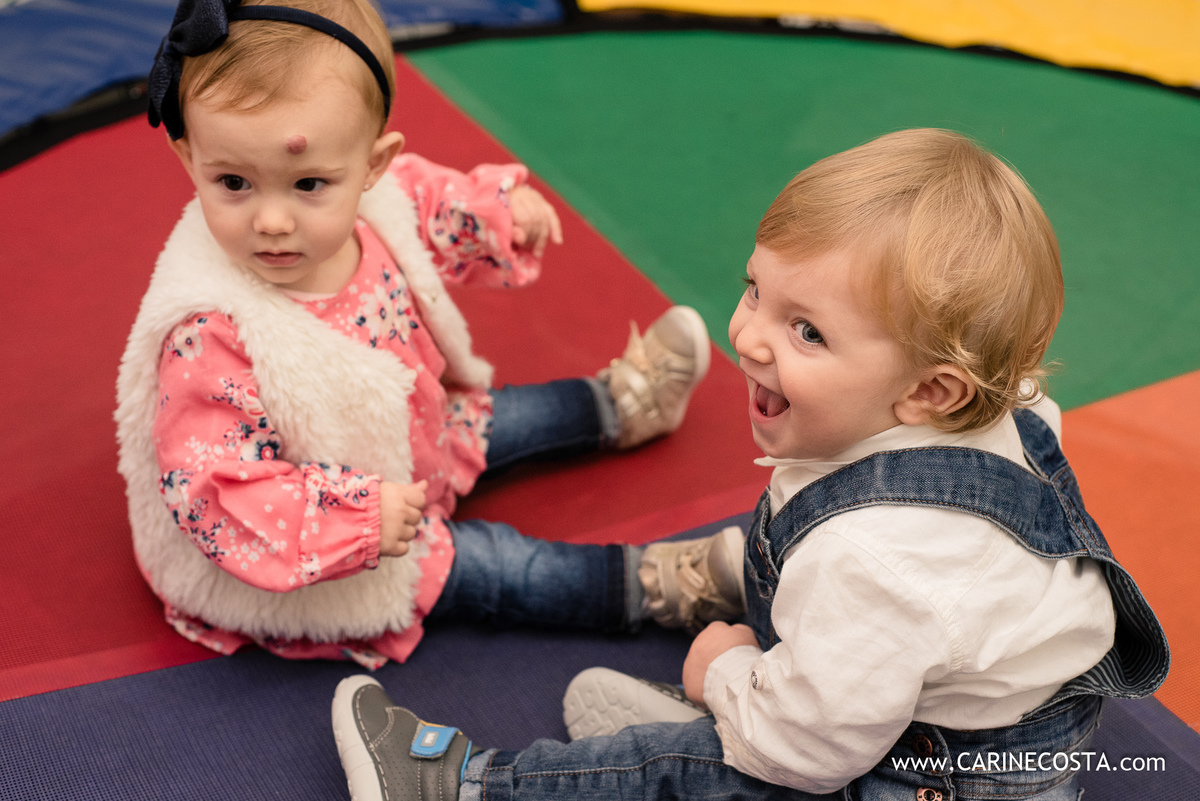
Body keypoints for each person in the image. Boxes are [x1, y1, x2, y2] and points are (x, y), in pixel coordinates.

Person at [329, 129, 1169, 800]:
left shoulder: (872, 560)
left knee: (702, 768)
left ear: (931, 391)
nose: (747, 332)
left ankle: (459, 785)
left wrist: (725, 671)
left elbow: (807, 754)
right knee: (805, 632)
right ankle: (762, 691)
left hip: (926, 777)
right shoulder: (1001, 407)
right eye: (756, 287)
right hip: (978, 734)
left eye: (808, 330)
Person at [115, 0, 747, 670]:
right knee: (500, 566)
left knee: (515, 415)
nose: (271, 219)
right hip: (341, 540)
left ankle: (620, 402)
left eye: (308, 184)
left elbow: (432, 201)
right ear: (190, 157)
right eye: (233, 182)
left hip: (426, 432)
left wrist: (500, 212)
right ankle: (656, 584)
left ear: (372, 166)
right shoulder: (210, 331)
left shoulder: (378, 197)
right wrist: (357, 521)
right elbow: (218, 490)